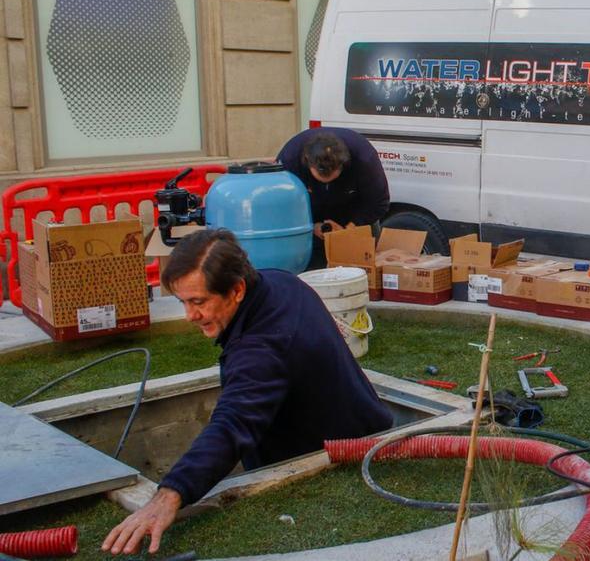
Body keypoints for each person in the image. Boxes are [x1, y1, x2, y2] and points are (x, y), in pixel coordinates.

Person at [102, 230, 392, 555]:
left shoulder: (262, 349)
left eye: (199, 302)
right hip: (361, 426)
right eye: (183, 301)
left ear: (237, 289)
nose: (190, 315)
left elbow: (231, 427)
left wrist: (169, 496)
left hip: (339, 460)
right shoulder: (279, 283)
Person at [277, 127, 390, 269]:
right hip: (308, 220)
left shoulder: (365, 159)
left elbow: (379, 202)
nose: (327, 181)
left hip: (355, 214)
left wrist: (350, 227)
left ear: (344, 164)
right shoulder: (289, 159)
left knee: (362, 269)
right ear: (307, 161)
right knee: (312, 272)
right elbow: (280, 208)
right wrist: (310, 226)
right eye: (320, 178)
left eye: (332, 177)